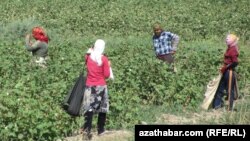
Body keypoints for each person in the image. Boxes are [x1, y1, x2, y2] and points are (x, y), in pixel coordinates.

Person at [81, 39, 113, 140]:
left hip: (89, 86)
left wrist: (91, 48)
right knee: (102, 108)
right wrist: (108, 65)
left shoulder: (87, 57)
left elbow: (88, 51)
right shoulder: (104, 59)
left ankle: (87, 130)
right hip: (101, 86)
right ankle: (100, 129)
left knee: (89, 108)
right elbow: (107, 75)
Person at [213, 34, 239, 111]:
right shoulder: (229, 48)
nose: (226, 40)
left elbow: (235, 62)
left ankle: (229, 108)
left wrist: (226, 67)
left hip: (229, 72)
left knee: (230, 90)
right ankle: (216, 106)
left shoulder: (233, 49)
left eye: (228, 39)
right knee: (220, 88)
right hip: (225, 71)